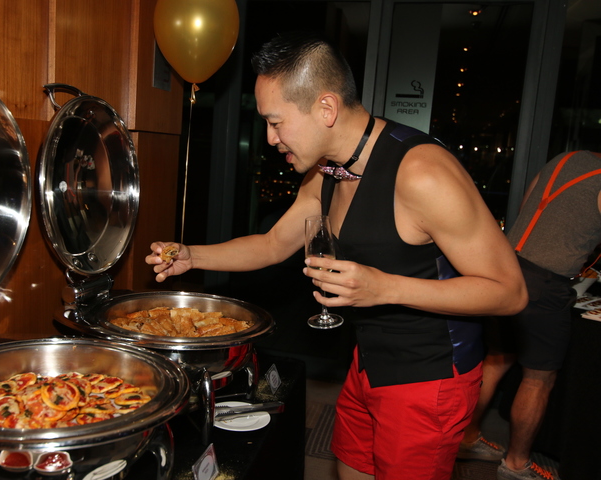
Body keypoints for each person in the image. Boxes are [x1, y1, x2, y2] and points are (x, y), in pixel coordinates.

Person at [146, 32, 527, 480]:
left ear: (326, 108)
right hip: (367, 362)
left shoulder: (423, 174)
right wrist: (192, 256)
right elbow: (273, 244)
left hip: (429, 377)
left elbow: (509, 292)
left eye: (276, 122)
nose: (270, 138)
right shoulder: (325, 172)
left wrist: (383, 288)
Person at [459, 150, 601, 480]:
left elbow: (528, 203)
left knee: (497, 359)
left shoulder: (566, 158)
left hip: (505, 267)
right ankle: (516, 464)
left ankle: (466, 437)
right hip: (545, 284)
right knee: (539, 377)